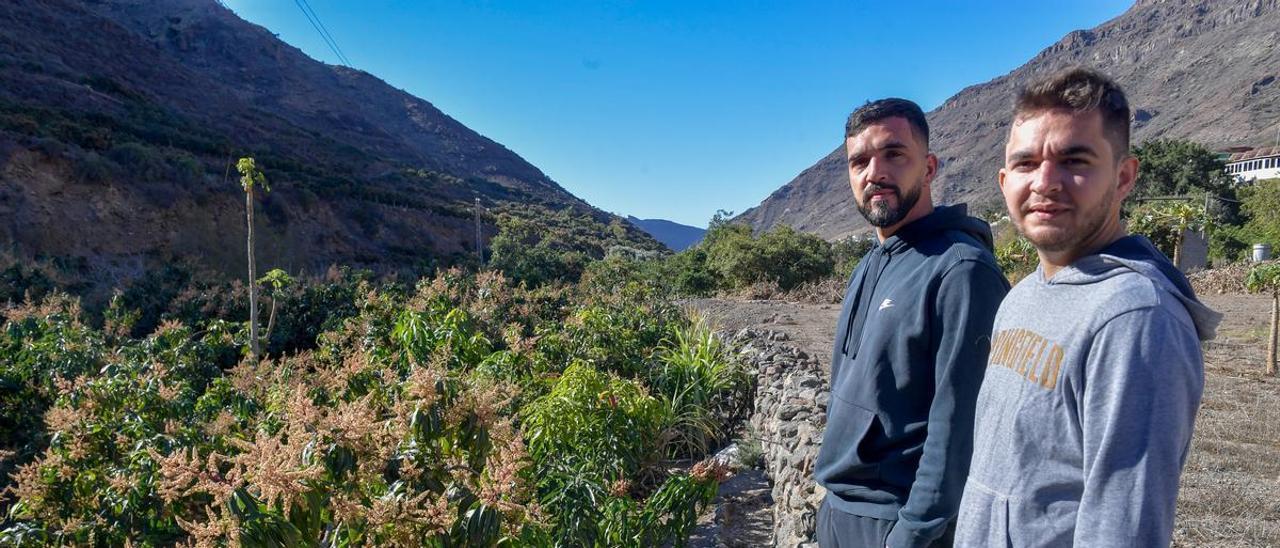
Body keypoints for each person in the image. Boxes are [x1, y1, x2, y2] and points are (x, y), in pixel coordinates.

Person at [954, 67, 1221, 547]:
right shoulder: (1022, 294)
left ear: (1123, 177)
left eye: (1074, 159)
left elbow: (1124, 527)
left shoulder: (1137, 319)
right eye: (1026, 163)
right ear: (1003, 180)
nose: (1045, 182)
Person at [814, 98, 1009, 547]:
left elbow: (960, 425)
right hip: (841, 511)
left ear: (929, 168)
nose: (874, 172)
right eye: (859, 161)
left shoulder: (961, 271)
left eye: (894, 154)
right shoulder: (871, 263)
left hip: (896, 522)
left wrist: (913, 532)